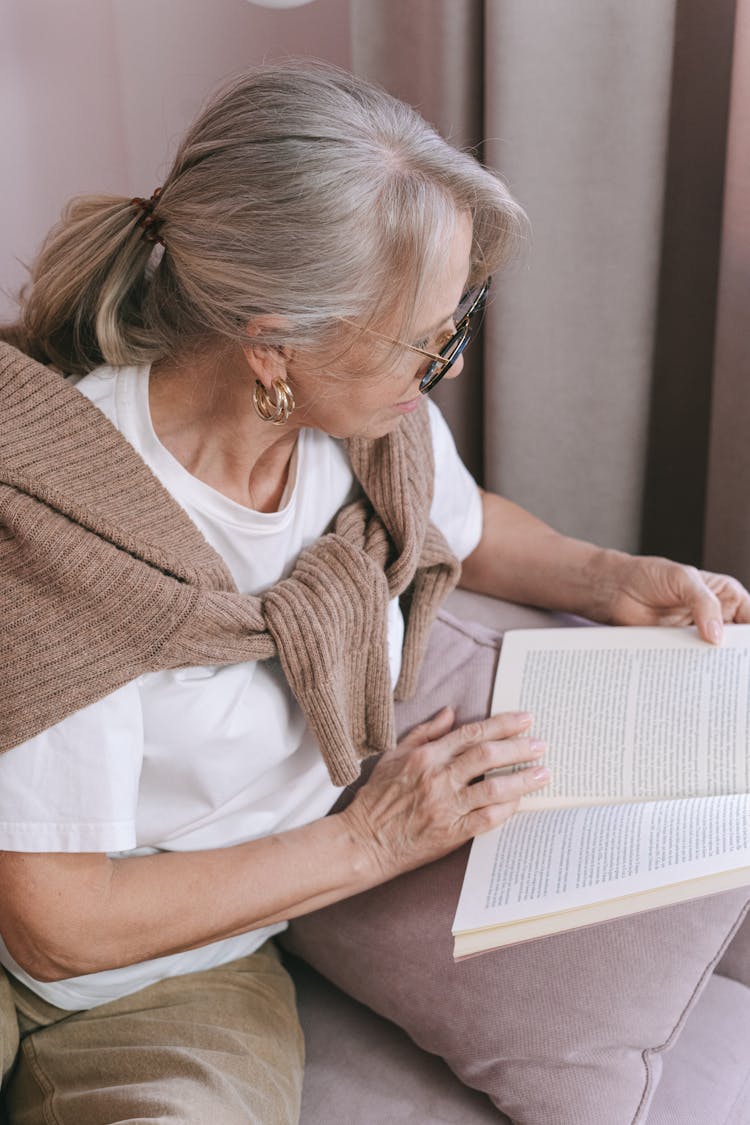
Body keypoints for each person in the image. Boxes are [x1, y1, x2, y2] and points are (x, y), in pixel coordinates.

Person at [0, 61, 748, 1125]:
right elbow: (57, 926)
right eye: (423, 337)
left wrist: (613, 576)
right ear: (275, 344)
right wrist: (373, 840)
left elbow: (471, 525)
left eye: (458, 320)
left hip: (187, 980)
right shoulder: (57, 524)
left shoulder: (373, 442)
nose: (442, 364)